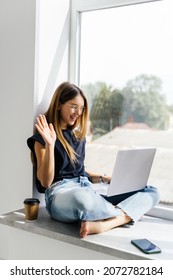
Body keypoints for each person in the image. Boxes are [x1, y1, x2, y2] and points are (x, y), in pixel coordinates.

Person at [27, 81, 160, 238]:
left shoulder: (78, 137)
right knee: (83, 200)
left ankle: (107, 222)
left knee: (151, 191)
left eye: (81, 108)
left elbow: (80, 172)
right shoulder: (42, 139)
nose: (78, 112)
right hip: (60, 194)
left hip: (87, 188)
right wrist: (50, 145)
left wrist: (105, 178)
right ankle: (127, 214)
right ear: (59, 104)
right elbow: (45, 182)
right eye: (73, 106)